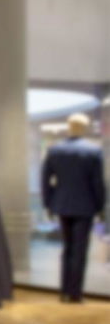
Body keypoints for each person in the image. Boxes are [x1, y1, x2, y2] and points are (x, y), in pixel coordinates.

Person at [41, 113, 106, 303]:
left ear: (69, 127)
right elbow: (98, 183)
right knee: (79, 250)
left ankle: (64, 292)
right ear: (84, 128)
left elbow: (45, 181)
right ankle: (75, 293)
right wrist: (100, 206)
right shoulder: (93, 151)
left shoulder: (55, 151)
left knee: (67, 248)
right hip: (85, 206)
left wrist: (49, 203)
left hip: (62, 204)